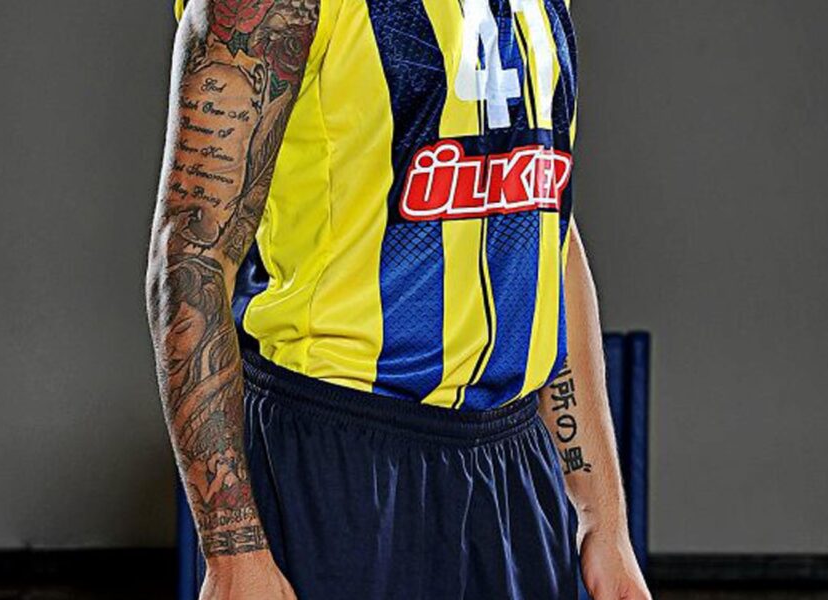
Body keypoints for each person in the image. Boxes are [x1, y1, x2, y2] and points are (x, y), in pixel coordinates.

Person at [145, 0, 651, 598]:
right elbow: (192, 252)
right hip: (340, 453)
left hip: (514, 466)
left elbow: (547, 232)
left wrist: (603, 518)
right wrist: (233, 554)